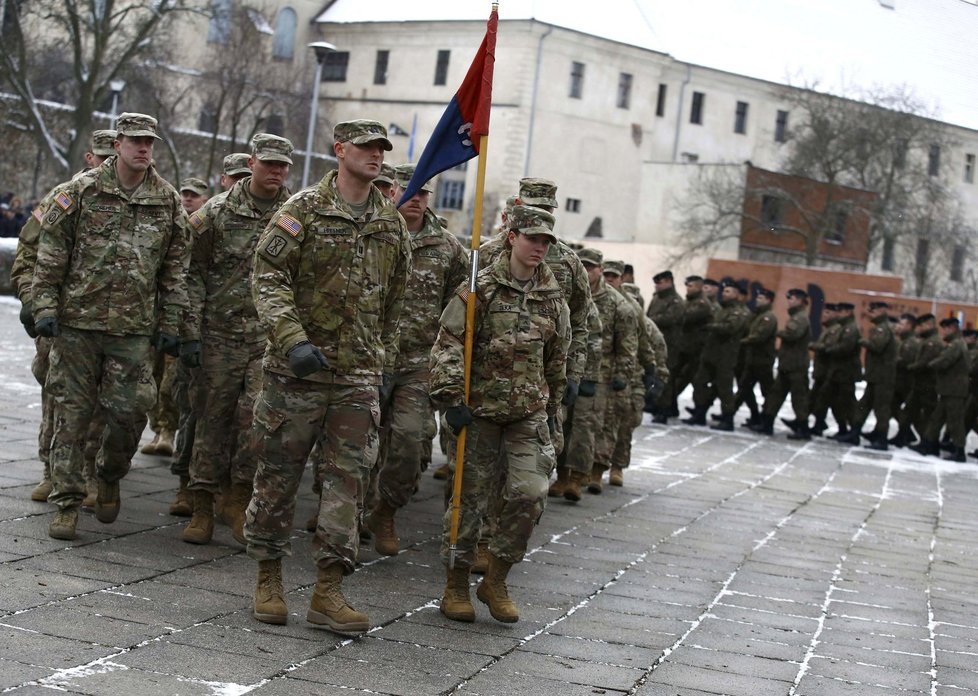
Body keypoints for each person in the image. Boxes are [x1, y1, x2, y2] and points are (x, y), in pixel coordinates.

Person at [244, 120, 410, 636]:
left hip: (358, 374)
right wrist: (292, 340)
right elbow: (267, 276)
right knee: (279, 473)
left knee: (349, 481)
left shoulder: (389, 221)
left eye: (382, 149)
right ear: (340, 150)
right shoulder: (302, 212)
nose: (376, 157)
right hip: (298, 372)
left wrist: (382, 360)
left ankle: (329, 588)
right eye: (366, 148)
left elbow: (396, 298)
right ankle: (269, 574)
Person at [32, 113, 190, 540]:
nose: (143, 148)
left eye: (149, 142)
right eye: (135, 141)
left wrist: (171, 321)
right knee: (71, 415)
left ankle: (108, 473)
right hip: (77, 326)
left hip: (133, 331)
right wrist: (43, 306)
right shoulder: (78, 192)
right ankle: (66, 501)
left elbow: (176, 269)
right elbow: (50, 256)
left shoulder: (167, 200)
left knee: (130, 412)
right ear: (117, 143)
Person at [430, 204, 570, 624]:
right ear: (512, 238)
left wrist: (554, 418)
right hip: (479, 413)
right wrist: (451, 397)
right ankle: (455, 583)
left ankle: (497, 576)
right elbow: (448, 343)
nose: (539, 248)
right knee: (468, 500)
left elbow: (556, 362)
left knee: (531, 493)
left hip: (528, 413)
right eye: (532, 239)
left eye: (546, 242)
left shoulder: (552, 298)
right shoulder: (480, 288)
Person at [181, 134, 295, 546]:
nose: (276, 172)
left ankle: (238, 493)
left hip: (268, 340)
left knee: (257, 421)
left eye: (283, 166)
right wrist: (189, 329)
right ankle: (201, 504)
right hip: (219, 335)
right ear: (252, 163)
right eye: (269, 164)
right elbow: (189, 270)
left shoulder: (295, 214)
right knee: (211, 420)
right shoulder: (217, 211)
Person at [364, 163, 467, 556]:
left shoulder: (447, 247)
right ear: (392, 192)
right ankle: (346, 513)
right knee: (356, 444)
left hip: (418, 363)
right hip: (369, 356)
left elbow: (458, 306)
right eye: (410, 192)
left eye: (424, 193)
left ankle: (385, 510)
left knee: (410, 441)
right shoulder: (373, 232)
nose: (417, 200)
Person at [12, 129, 117, 505]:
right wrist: (32, 301)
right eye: (101, 157)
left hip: (109, 322)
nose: (108, 164)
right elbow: (28, 252)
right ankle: (50, 468)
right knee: (56, 397)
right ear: (89, 158)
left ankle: (87, 471)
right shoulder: (63, 197)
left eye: (112, 156)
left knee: (102, 404)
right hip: (58, 317)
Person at [603, 259, 653, 488]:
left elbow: (643, 341)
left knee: (623, 423)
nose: (609, 279)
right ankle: (587, 471)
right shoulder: (593, 298)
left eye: (614, 275)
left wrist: (651, 368)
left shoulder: (629, 307)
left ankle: (617, 466)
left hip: (627, 372)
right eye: (606, 274)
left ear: (622, 278)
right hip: (600, 371)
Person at [684, 280, 751, 426]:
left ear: (736, 295)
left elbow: (730, 328)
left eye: (728, 291)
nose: (724, 294)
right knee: (699, 382)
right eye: (724, 291)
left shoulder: (738, 312)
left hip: (725, 356)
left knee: (724, 389)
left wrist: (711, 327)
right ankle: (699, 412)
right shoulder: (723, 309)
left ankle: (728, 418)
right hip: (711, 354)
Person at [838, 301, 897, 450]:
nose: (871, 313)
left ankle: (882, 439)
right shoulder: (878, 328)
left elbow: (878, 347)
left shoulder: (883, 328)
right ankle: (855, 432)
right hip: (875, 375)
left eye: (874, 310)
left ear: (883, 311)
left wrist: (862, 341)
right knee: (863, 405)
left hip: (883, 377)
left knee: (881, 409)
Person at [754, 288, 811, 438]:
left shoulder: (800, 318)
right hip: (788, 364)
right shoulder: (796, 317)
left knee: (798, 398)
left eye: (792, 299)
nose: (789, 301)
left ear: (799, 300)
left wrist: (780, 333)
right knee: (776, 395)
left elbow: (793, 335)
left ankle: (803, 428)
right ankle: (767, 423)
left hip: (796, 365)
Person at [913, 318, 970, 461]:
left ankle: (959, 452)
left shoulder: (956, 344)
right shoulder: (955, 344)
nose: (943, 332)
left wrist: (931, 364)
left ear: (952, 328)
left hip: (954, 390)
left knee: (955, 421)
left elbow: (944, 361)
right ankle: (927, 444)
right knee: (936, 418)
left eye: (945, 328)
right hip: (948, 389)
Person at [730, 288, 777, 430]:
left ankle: (766, 422)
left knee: (767, 392)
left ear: (768, 301)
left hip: (762, 361)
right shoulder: (757, 315)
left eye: (761, 298)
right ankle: (731, 414)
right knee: (744, 388)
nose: (758, 300)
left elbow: (758, 336)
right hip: (752, 360)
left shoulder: (768, 317)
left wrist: (741, 341)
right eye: (758, 298)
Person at [646, 271, 684, 419]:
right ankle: (663, 405)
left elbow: (669, 319)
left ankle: (664, 409)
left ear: (669, 282)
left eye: (659, 282)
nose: (657, 286)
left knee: (666, 378)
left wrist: (649, 320)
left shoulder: (676, 301)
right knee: (658, 376)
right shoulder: (657, 298)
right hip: (654, 344)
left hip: (669, 345)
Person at [888, 313, 920, 447]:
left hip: (906, 382)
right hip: (898, 381)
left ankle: (909, 435)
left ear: (909, 326)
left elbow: (907, 361)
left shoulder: (911, 343)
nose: (899, 327)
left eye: (902, 324)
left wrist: (892, 360)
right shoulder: (903, 340)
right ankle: (905, 433)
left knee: (909, 412)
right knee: (893, 407)